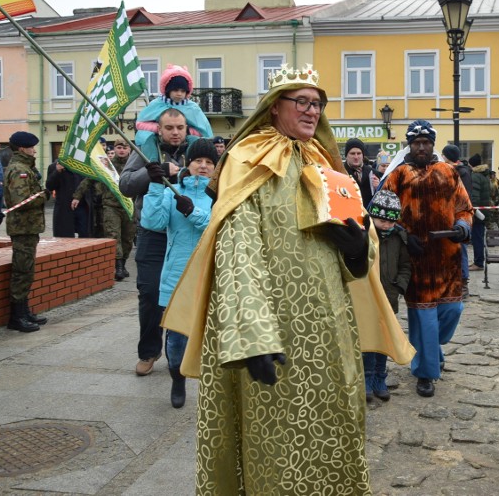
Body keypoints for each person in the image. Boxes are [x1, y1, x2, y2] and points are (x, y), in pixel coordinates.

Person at [162, 64, 412, 494]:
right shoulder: (246, 159)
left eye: (318, 104)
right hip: (274, 328)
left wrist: (358, 251)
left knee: (332, 424)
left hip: (329, 326)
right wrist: (251, 335)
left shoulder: (327, 164)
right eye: (302, 102)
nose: (312, 111)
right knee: (275, 436)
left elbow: (358, 234)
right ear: (274, 107)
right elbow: (237, 247)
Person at [121, 65, 211, 377]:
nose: (175, 132)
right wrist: (151, 173)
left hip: (187, 233)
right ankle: (148, 351)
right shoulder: (144, 151)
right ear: (159, 128)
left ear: (188, 129)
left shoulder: (198, 153)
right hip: (153, 233)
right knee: (148, 293)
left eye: (180, 128)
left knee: (189, 291)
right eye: (169, 127)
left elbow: (215, 185)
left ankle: (184, 351)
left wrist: (189, 175)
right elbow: (125, 184)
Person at [381, 119, 473, 398]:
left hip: (447, 258)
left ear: (433, 144)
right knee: (425, 320)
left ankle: (431, 347)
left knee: (452, 311)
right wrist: (404, 236)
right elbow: (384, 215)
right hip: (415, 259)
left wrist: (463, 227)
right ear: (410, 145)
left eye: (426, 142)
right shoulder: (398, 176)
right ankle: (425, 373)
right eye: (416, 142)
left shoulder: (448, 172)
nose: (421, 147)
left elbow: (465, 207)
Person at [140, 138, 216, 408]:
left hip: (211, 277)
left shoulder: (220, 195)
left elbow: (218, 229)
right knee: (175, 343)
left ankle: (216, 389)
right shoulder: (173, 191)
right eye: (198, 161)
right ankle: (177, 379)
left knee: (215, 340)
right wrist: (155, 186)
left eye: (209, 162)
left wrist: (193, 212)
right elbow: (152, 222)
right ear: (188, 163)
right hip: (177, 278)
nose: (203, 166)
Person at [363, 189, 412, 402]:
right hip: (367, 295)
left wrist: (399, 287)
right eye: (382, 221)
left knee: (384, 338)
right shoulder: (363, 234)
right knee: (367, 339)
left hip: (389, 295)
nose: (387, 226)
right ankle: (366, 378)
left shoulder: (398, 237)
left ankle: (380, 378)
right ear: (372, 215)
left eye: (391, 222)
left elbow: (405, 266)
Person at [3, 131, 49, 332]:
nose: (34, 150)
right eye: (31, 147)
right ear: (22, 148)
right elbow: (21, 201)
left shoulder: (25, 168)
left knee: (27, 269)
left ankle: (24, 310)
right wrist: (44, 196)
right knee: (22, 271)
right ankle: (17, 316)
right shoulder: (18, 169)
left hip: (28, 227)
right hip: (22, 227)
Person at [73, 139, 136, 281]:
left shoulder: (134, 166)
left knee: (127, 238)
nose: (121, 150)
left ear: (129, 150)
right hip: (110, 206)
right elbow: (89, 179)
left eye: (125, 148)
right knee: (113, 235)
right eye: (119, 147)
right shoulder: (107, 165)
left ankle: (123, 263)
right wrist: (77, 196)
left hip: (129, 207)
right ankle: (118, 266)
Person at [441, 144, 472, 295]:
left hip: (458, 218)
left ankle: (463, 283)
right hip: (448, 217)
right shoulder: (455, 170)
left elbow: (463, 198)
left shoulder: (460, 173)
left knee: (461, 250)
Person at [46, 159, 91, 238]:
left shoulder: (83, 164)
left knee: (86, 236)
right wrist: (57, 172)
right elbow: (50, 186)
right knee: (65, 238)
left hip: (82, 206)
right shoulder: (55, 166)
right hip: (64, 208)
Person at [467, 153, 490, 273]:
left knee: (477, 238)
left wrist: (473, 210)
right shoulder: (484, 174)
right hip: (484, 210)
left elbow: (474, 196)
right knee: (478, 237)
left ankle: (478, 263)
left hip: (478, 212)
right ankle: (478, 261)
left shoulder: (475, 176)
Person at [343, 137, 377, 205]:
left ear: (363, 155)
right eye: (352, 153)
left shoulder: (373, 173)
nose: (356, 157)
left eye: (359, 153)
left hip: (368, 214)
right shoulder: (340, 172)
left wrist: (378, 188)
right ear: (346, 156)